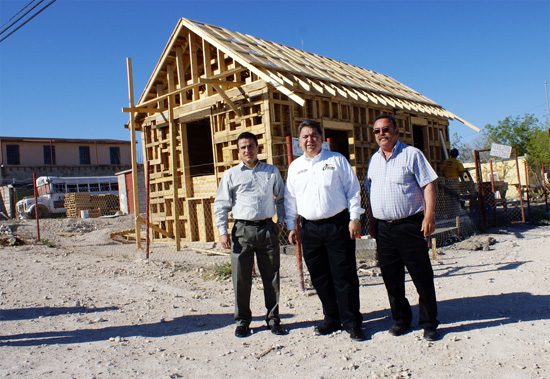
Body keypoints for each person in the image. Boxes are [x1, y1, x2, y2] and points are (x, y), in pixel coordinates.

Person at [285, 120, 366, 342]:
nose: (310, 140)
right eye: (305, 136)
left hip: (338, 225)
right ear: (299, 141)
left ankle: (352, 322)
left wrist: (355, 218)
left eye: (314, 135)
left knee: (344, 275)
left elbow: (353, 190)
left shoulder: (336, 160)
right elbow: (290, 199)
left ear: (321, 138)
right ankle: (331, 318)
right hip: (309, 229)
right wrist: (291, 226)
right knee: (320, 277)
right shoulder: (295, 167)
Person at [365, 114, 440, 341]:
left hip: (409, 225)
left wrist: (429, 215)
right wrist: (372, 223)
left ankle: (429, 323)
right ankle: (401, 320)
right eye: (377, 131)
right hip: (384, 229)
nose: (381, 134)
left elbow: (427, 185)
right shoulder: (373, 160)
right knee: (391, 278)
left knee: (421, 275)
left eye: (386, 129)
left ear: (396, 132)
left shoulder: (412, 154)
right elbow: (370, 192)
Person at [214, 132, 287, 338]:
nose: (248, 150)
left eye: (251, 146)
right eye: (243, 147)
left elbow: (281, 198)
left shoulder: (271, 172)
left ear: (257, 147)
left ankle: (273, 319)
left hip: (267, 229)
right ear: (239, 151)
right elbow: (221, 205)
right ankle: (243, 321)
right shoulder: (231, 175)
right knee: (241, 279)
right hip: (241, 231)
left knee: (271, 277)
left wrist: (280, 221)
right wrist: (222, 232)